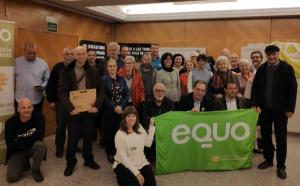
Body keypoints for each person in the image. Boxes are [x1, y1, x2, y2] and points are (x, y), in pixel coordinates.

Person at [251, 44, 298, 179]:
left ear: (278, 54)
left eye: (274, 54)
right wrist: (255, 103)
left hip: (281, 110)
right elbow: (255, 87)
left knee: (281, 138)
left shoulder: (286, 68)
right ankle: (269, 160)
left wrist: (290, 108)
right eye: (269, 54)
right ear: (266, 55)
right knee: (265, 135)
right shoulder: (262, 69)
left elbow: (293, 89)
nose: (271, 57)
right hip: (264, 109)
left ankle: (281, 166)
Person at [58, 46, 104, 176]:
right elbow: (61, 92)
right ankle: (70, 163)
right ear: (74, 55)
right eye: (78, 54)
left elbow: (100, 91)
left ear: (86, 54)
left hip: (89, 111)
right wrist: (70, 108)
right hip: (73, 112)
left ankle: (88, 160)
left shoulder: (94, 71)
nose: (81, 56)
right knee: (72, 139)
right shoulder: (66, 71)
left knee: (89, 137)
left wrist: (96, 106)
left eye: (83, 53)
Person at [5, 98, 46, 183]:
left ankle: (35, 170)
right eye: (23, 108)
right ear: (18, 109)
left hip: (31, 147)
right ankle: (24, 161)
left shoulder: (40, 118)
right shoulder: (10, 122)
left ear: (32, 108)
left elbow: (39, 138)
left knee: (40, 145)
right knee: (12, 178)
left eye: (29, 107)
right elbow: (10, 145)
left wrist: (18, 141)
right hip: (17, 151)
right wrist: (30, 140)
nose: (26, 110)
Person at [113, 106, 156, 186]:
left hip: (141, 163)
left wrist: (151, 127)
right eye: (128, 116)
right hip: (123, 165)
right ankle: (119, 176)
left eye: (133, 116)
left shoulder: (139, 127)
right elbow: (124, 158)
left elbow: (148, 144)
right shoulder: (119, 135)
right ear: (124, 118)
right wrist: (137, 174)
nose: (131, 118)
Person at [46, 47, 74, 158]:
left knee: (74, 127)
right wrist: (52, 100)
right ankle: (59, 147)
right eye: (67, 54)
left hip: (75, 103)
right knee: (60, 126)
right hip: (60, 102)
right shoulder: (57, 67)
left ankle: (73, 146)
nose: (69, 56)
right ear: (63, 55)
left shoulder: (78, 67)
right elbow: (51, 85)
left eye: (71, 53)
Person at [102, 58, 129, 163]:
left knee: (120, 133)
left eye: (114, 66)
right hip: (109, 111)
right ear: (107, 68)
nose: (112, 68)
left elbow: (126, 94)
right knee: (109, 134)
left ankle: (119, 152)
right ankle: (110, 153)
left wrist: (121, 106)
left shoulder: (121, 79)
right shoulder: (103, 80)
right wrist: (114, 107)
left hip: (121, 111)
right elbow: (103, 97)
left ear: (117, 67)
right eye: (110, 66)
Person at [142, 83, 175, 161]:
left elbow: (172, 119)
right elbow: (144, 119)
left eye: (162, 91)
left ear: (165, 92)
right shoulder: (146, 103)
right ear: (153, 91)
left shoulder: (170, 103)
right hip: (152, 129)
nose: (160, 93)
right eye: (157, 90)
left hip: (166, 130)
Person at [15, 42, 50, 113]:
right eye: (29, 53)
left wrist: (42, 86)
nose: (32, 55)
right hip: (20, 99)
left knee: (36, 121)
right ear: (24, 50)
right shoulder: (16, 62)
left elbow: (47, 79)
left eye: (34, 53)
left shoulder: (43, 63)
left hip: (36, 100)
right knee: (19, 121)